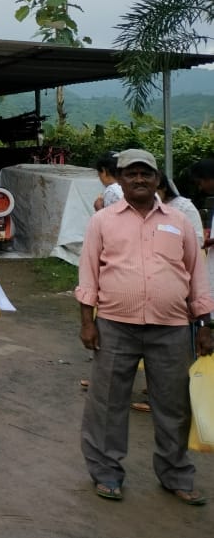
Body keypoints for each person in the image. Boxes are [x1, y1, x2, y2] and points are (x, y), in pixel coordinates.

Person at [76, 149, 214, 504]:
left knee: (174, 406)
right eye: (131, 173)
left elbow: (197, 275)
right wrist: (87, 322)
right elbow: (88, 273)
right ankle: (106, 473)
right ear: (120, 180)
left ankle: (176, 475)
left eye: (146, 173)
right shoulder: (102, 221)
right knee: (107, 403)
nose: (139, 179)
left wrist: (204, 324)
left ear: (157, 179)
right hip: (114, 325)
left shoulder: (179, 221)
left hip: (171, 327)